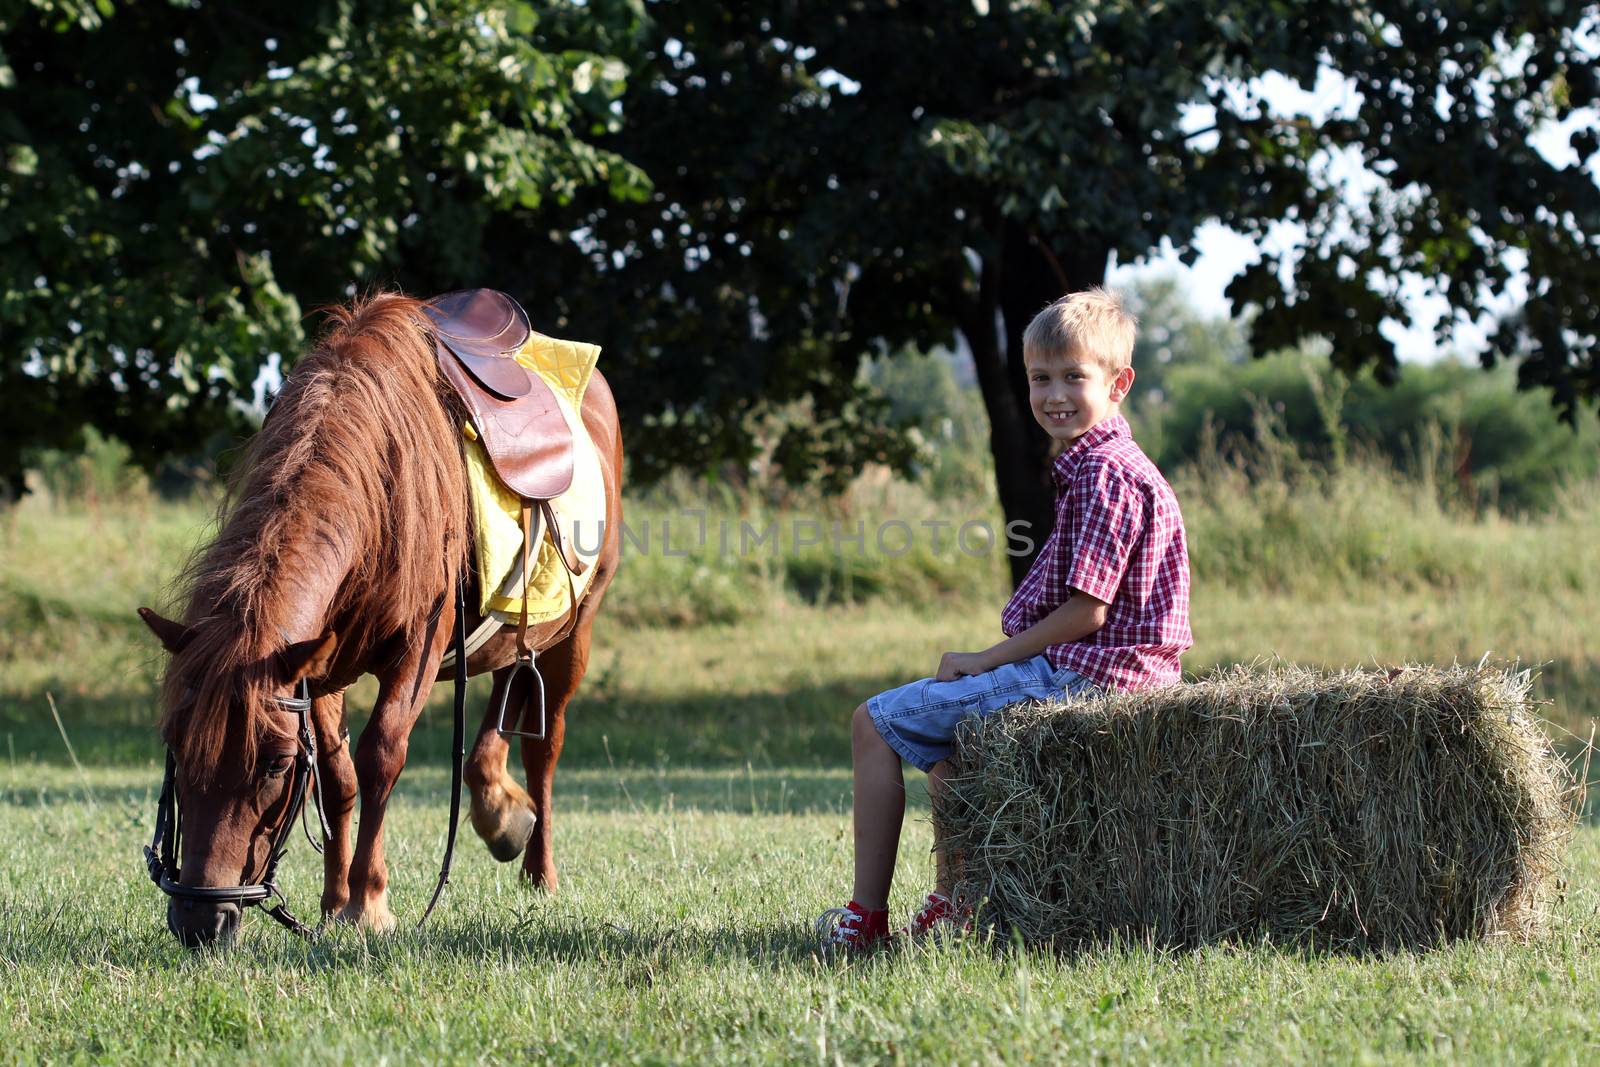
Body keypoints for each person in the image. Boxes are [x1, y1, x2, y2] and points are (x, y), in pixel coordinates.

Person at [816, 287, 1193, 951]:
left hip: (1093, 677)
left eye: (1074, 377)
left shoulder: (1104, 471)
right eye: (1039, 378)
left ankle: (864, 919)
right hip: (1122, 674)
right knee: (949, 742)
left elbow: (1088, 610)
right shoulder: (1108, 464)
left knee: (872, 722)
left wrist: (988, 658)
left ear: (1119, 383)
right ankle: (955, 904)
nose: (1054, 395)